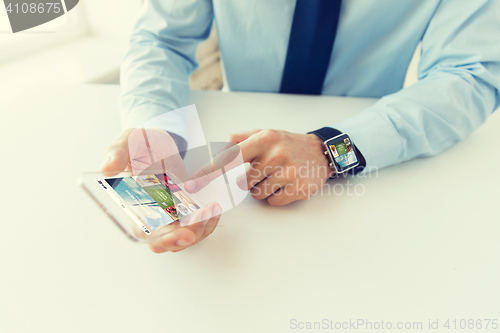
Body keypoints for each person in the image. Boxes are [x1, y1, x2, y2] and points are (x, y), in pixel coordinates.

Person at [100, 0, 500, 253]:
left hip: (373, 187)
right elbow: (163, 39)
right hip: (232, 148)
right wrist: (156, 127)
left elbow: (470, 74)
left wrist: (329, 150)